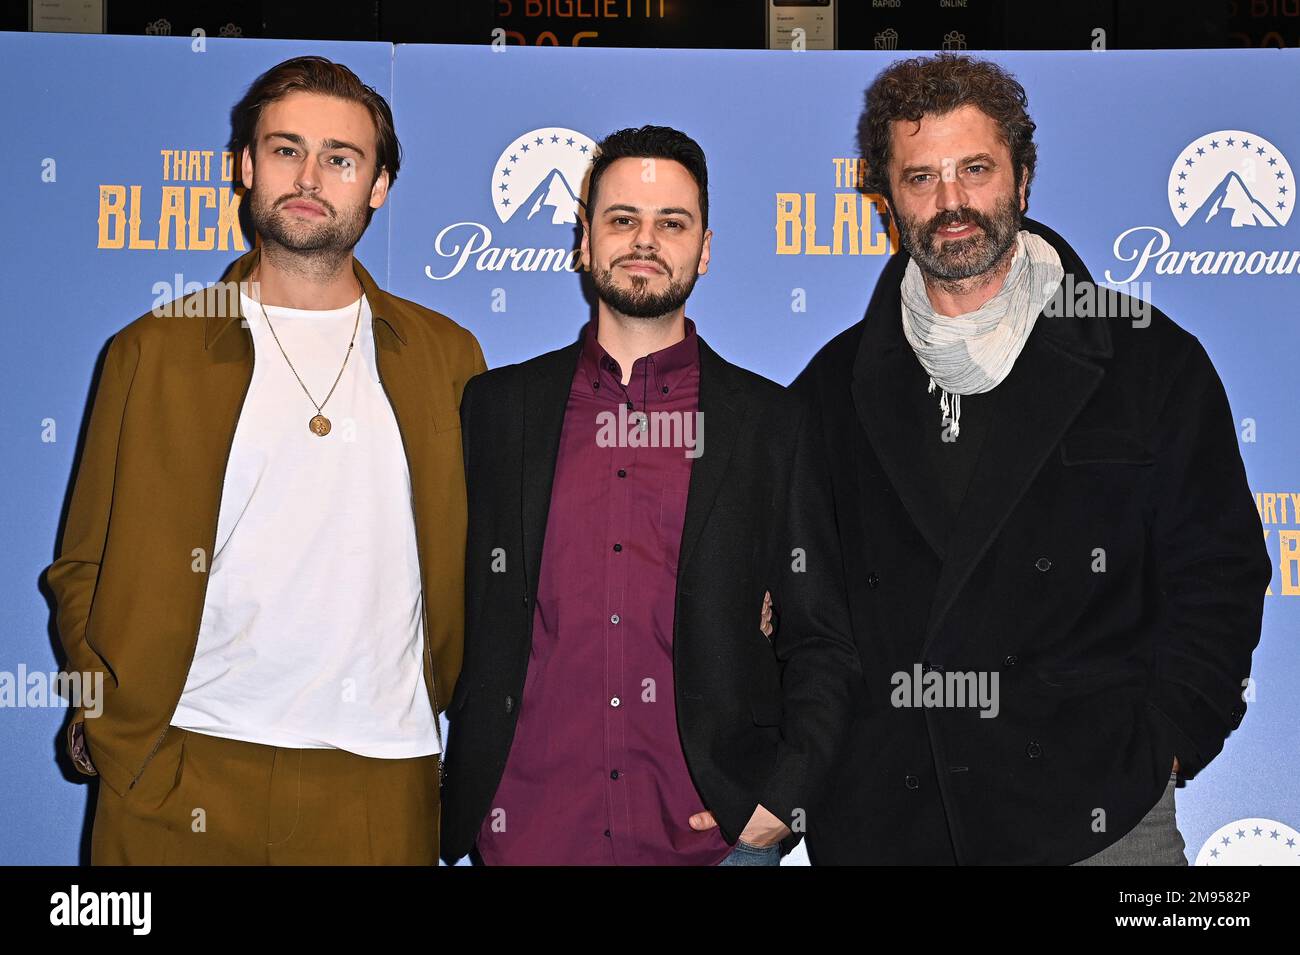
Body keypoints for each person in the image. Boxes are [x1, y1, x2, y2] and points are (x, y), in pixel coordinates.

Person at [794, 54, 1270, 865]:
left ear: (1021, 181)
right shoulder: (829, 389)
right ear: (887, 199)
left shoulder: (1147, 358)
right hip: (895, 825)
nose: (951, 202)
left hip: (1102, 821)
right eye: (921, 177)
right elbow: (800, 612)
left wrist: (1168, 742)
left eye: (975, 169)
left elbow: (1220, 573)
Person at [47, 55, 485, 864]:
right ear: (243, 168)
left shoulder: (447, 356)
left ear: (378, 185)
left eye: (341, 158)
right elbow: (82, 565)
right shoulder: (153, 350)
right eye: (286, 150)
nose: (311, 175)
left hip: (382, 775)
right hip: (178, 767)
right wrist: (114, 726)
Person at [439, 125, 858, 866]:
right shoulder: (496, 412)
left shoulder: (773, 425)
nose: (645, 240)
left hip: (713, 845)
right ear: (584, 241)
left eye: (672, 223)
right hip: (526, 836)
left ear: (704, 248)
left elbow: (823, 638)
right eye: (622, 219)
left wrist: (775, 810)